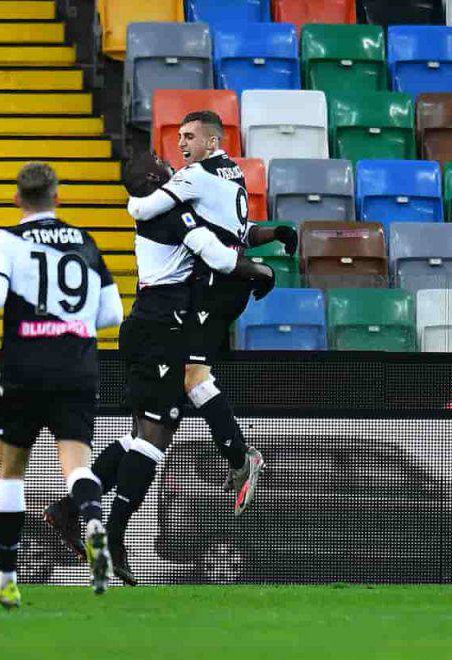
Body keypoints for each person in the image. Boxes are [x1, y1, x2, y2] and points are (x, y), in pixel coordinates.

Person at [45, 152, 276, 586]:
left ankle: (67, 511)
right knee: (155, 435)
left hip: (148, 326)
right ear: (155, 177)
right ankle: (113, 536)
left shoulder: (157, 211)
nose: (171, 164)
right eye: (160, 162)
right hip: (160, 329)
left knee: (138, 435)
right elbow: (220, 259)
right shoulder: (172, 215)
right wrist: (260, 270)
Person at [0, 162, 124, 608]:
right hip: (77, 367)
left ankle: (7, 579)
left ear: (17, 199)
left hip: (24, 368)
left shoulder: (5, 239)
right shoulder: (86, 242)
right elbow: (112, 314)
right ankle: (93, 519)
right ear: (58, 197)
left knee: (11, 474)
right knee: (76, 465)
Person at [128, 111, 298, 515]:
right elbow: (237, 230)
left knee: (193, 376)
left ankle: (242, 458)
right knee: (194, 376)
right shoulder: (233, 173)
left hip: (215, 284)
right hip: (229, 284)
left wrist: (137, 192)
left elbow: (142, 209)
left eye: (189, 137)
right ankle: (236, 455)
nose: (181, 144)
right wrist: (274, 234)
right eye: (180, 137)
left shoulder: (196, 174)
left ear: (212, 142)